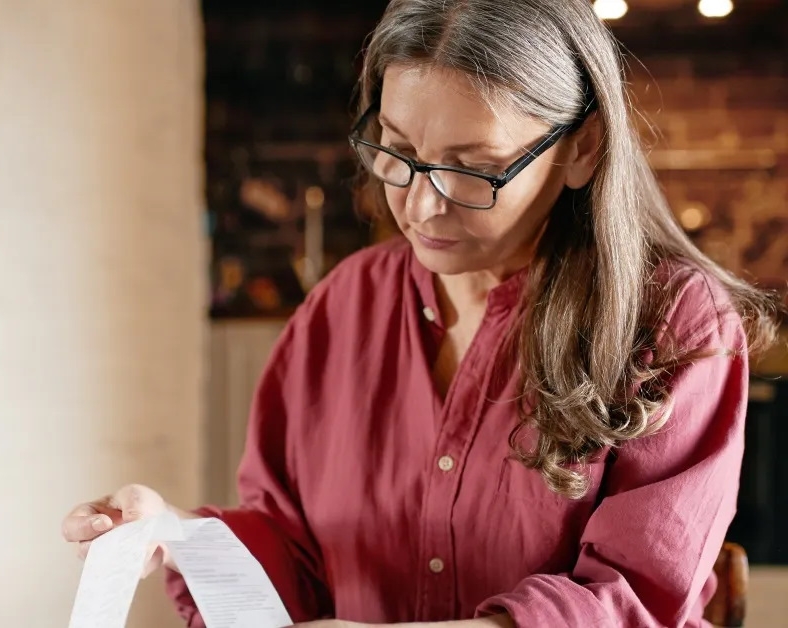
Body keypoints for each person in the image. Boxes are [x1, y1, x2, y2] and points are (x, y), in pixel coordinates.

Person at [61, 0, 782, 626]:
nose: (422, 204)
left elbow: (635, 604)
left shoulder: (673, 325)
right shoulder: (342, 309)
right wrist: (177, 533)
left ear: (583, 149)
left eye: (470, 168)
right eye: (398, 152)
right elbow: (295, 548)